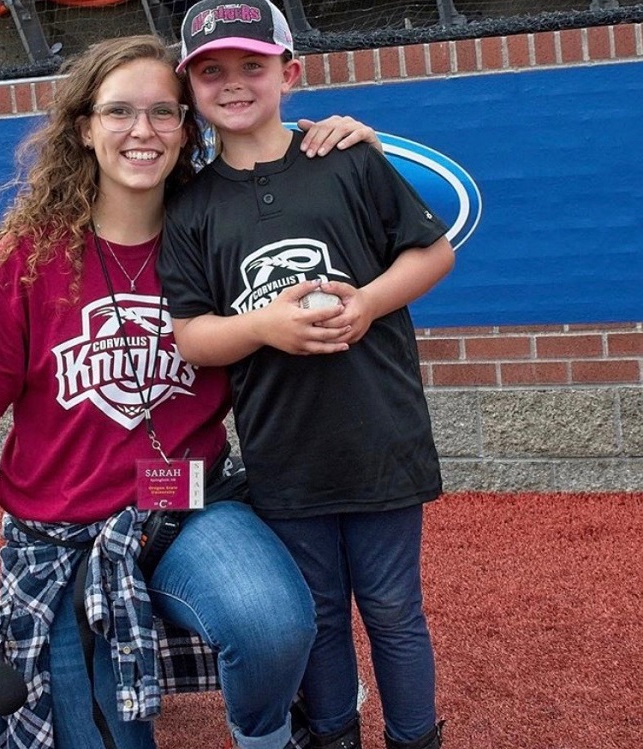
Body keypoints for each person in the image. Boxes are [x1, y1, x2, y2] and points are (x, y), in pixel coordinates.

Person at [0, 34, 381, 749]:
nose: (143, 131)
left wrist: (345, 143)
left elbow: (298, 187)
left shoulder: (215, 230)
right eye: (119, 112)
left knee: (273, 621)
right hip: (63, 533)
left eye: (164, 113)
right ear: (84, 127)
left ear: (185, 128)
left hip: (181, 504)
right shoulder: (28, 260)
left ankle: (266, 737)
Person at [157, 3, 456, 749]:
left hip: (381, 436)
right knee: (317, 613)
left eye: (252, 66)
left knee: (392, 608)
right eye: (212, 71)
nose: (233, 84)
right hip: (284, 453)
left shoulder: (347, 158)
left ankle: (415, 736)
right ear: (189, 86)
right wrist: (263, 326)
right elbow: (191, 334)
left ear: (289, 73)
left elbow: (433, 252)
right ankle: (331, 735)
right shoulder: (192, 207)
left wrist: (367, 305)